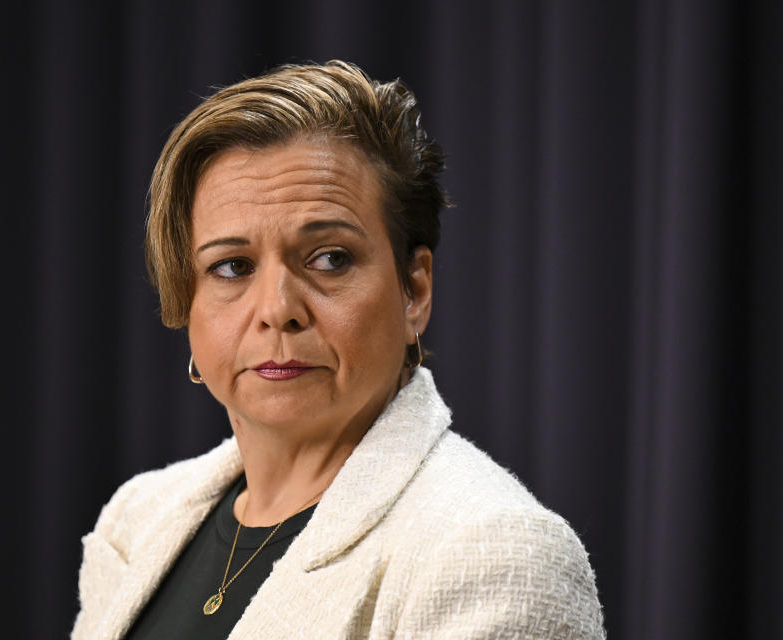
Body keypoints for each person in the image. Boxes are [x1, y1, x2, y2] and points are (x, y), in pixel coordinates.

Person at [71, 61, 605, 640]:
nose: (278, 308)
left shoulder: (498, 553)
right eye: (232, 267)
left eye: (330, 258)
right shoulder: (139, 517)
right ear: (187, 301)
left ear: (414, 292)